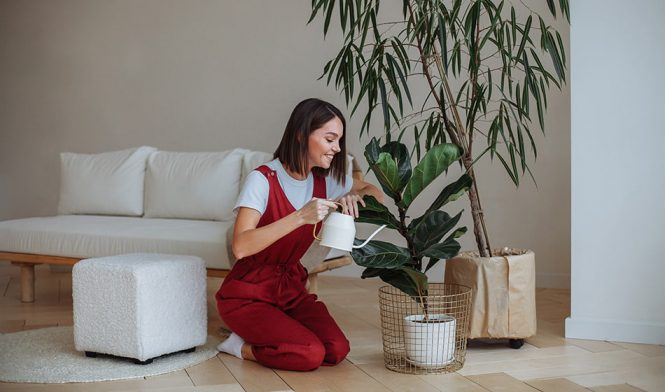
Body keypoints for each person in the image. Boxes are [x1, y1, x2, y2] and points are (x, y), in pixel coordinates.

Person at [215, 98, 384, 371]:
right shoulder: (263, 179)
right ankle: (238, 346)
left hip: (291, 291)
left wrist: (355, 193)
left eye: (339, 140)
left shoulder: (326, 180)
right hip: (248, 296)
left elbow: (376, 194)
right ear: (301, 135)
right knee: (309, 354)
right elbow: (241, 246)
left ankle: (278, 329)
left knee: (337, 349)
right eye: (330, 139)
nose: (337, 149)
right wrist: (300, 217)